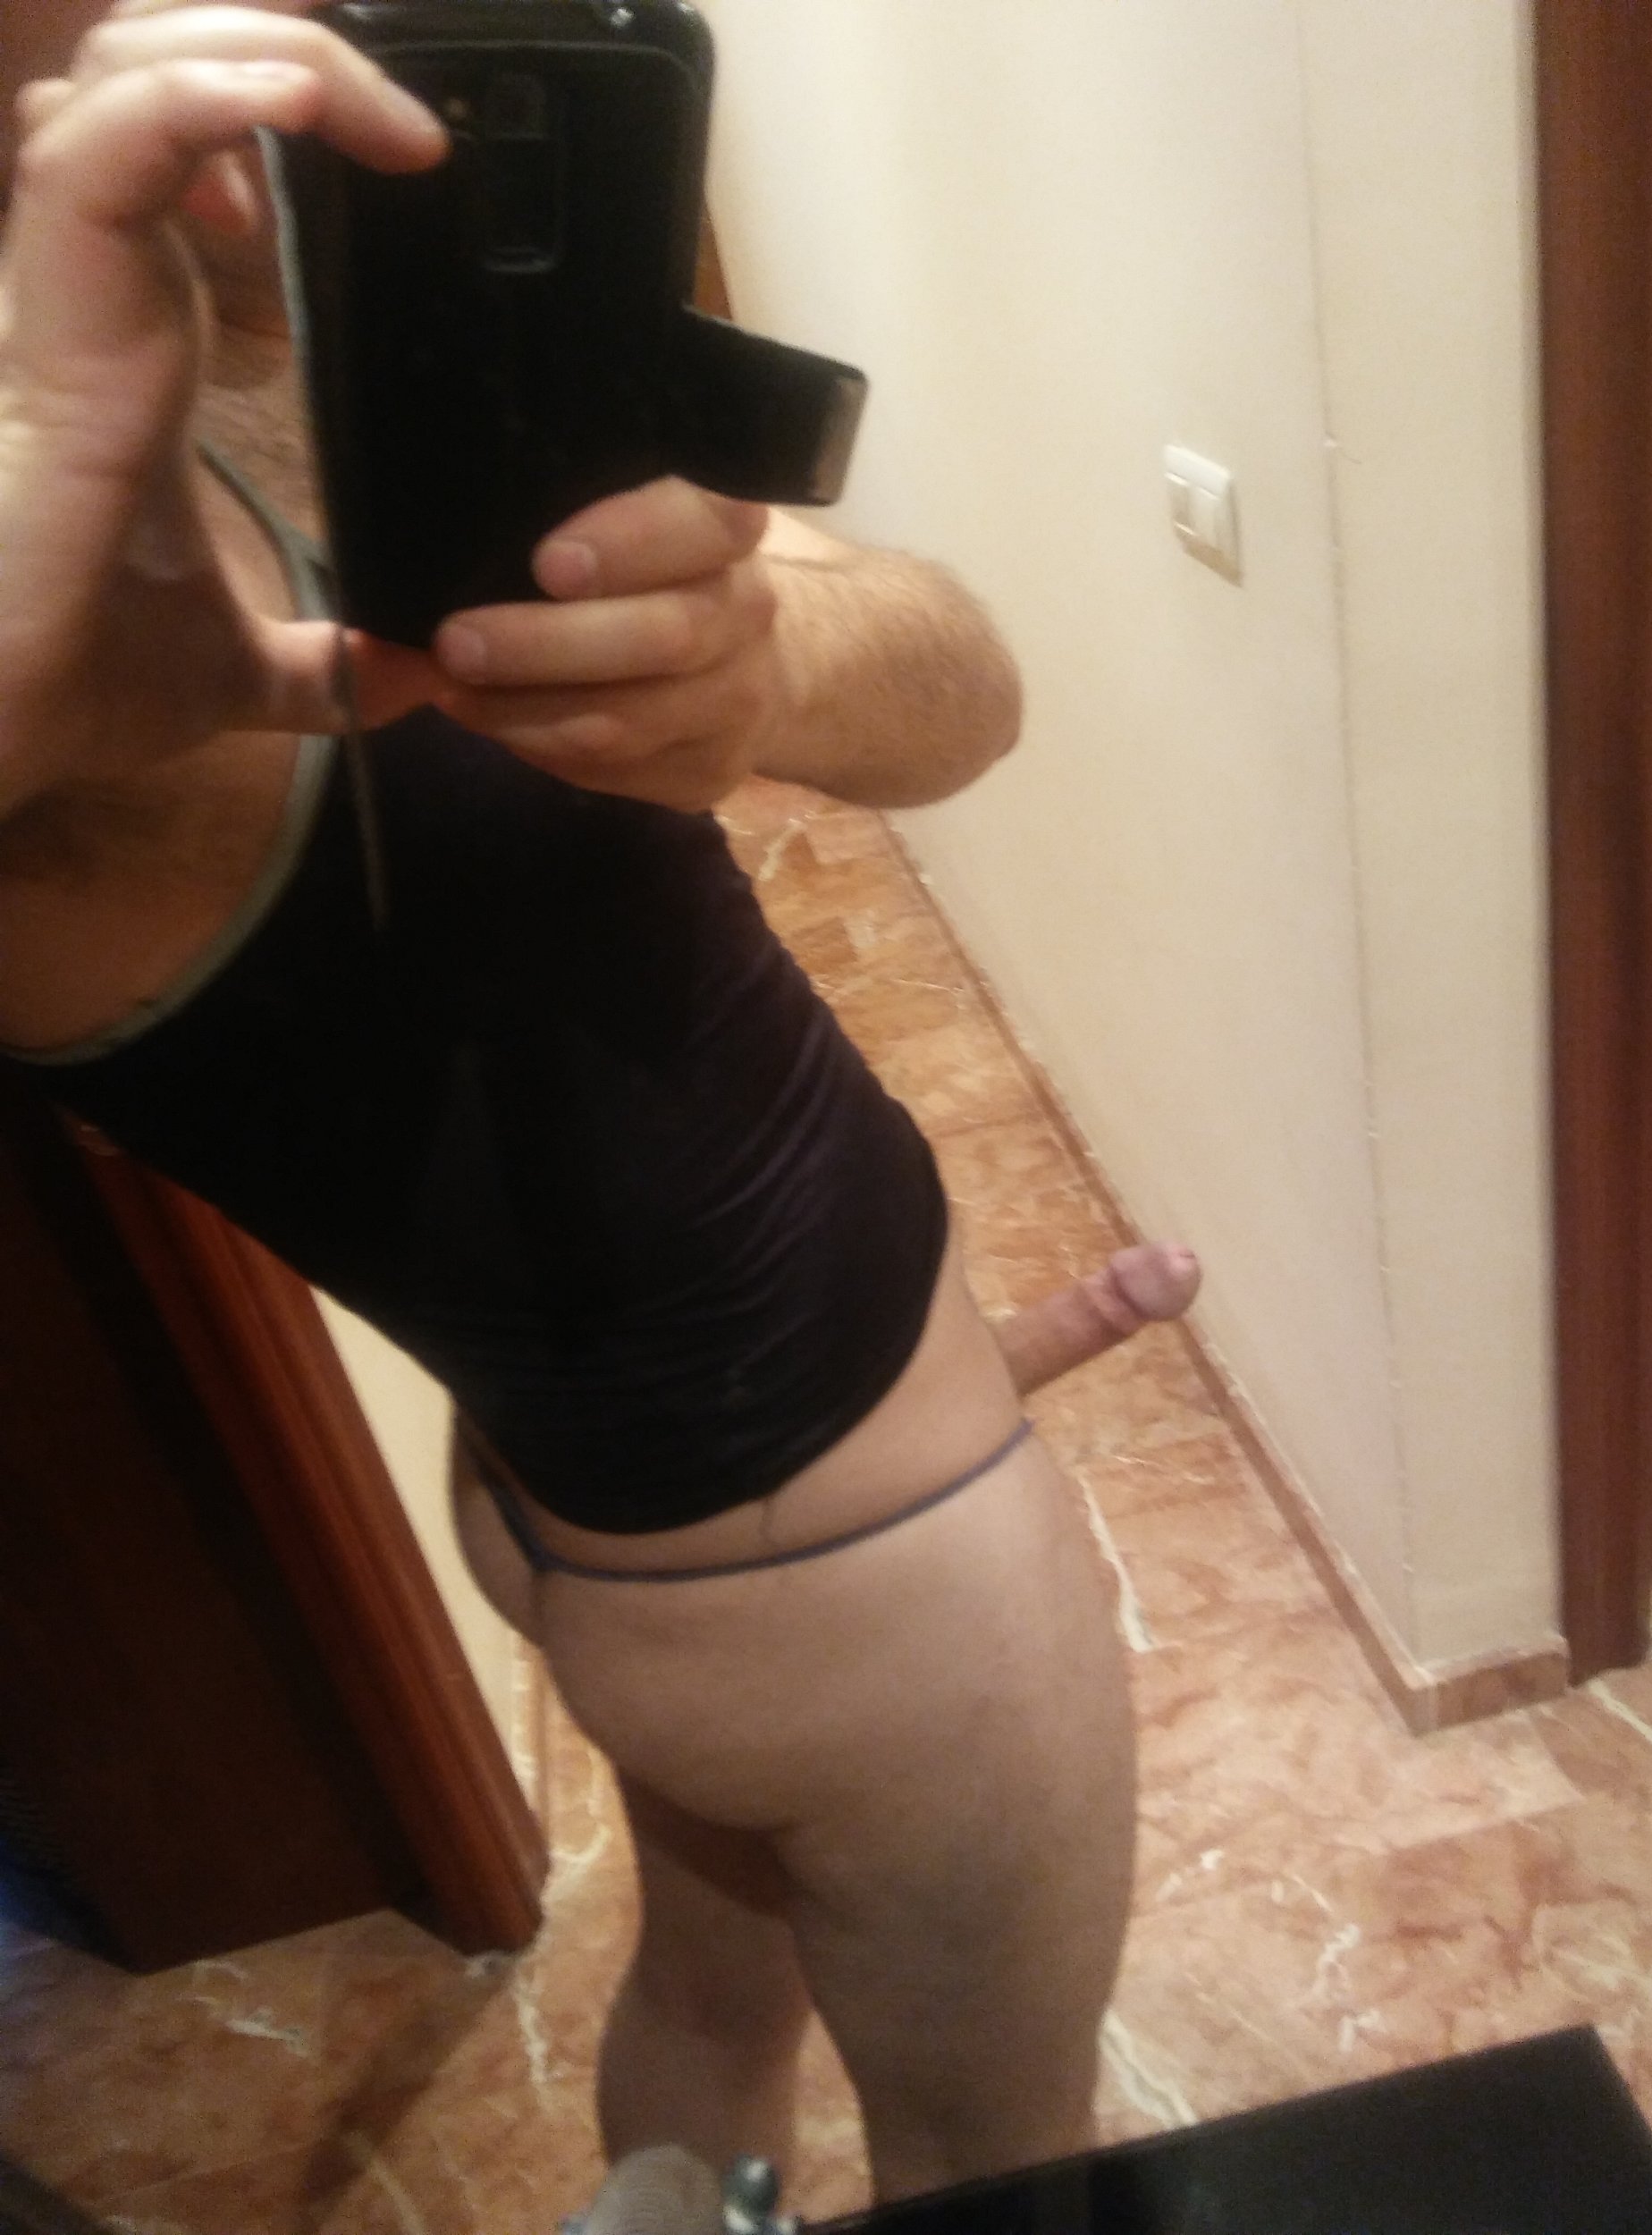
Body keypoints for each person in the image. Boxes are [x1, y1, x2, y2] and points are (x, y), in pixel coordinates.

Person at [0, 2, 1190, 2204]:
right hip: (853, 1585)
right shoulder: (40, 527)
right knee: (1003, 2156)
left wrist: (759, 659)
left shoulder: (367, 312)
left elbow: (960, 690)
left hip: (637, 1515)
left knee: (714, 1999)